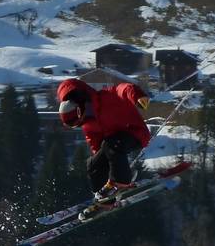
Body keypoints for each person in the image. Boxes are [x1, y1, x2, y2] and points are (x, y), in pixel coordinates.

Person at [56, 78, 152, 214]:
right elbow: (96, 146)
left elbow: (123, 89)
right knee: (92, 164)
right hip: (113, 145)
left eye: (79, 121)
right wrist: (101, 166)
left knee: (110, 143)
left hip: (135, 133)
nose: (82, 123)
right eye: (77, 125)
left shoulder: (106, 98)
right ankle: (105, 202)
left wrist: (137, 95)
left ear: (79, 109)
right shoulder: (88, 125)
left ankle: (121, 182)